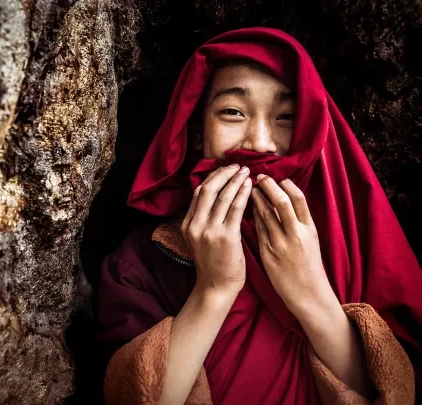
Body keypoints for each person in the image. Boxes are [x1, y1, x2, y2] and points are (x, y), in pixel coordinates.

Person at [96, 28, 421, 405]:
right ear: (197, 130)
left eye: (287, 117)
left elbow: (394, 392)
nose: (260, 143)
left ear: (312, 131)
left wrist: (312, 293)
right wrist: (214, 290)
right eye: (233, 112)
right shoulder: (140, 263)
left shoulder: (351, 246)